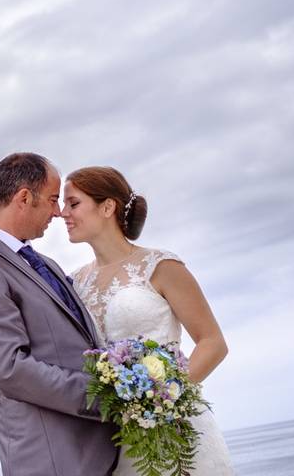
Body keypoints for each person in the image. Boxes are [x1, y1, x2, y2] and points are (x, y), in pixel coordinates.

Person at [0, 152, 118, 476]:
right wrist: (106, 398)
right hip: (55, 461)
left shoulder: (47, 264)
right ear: (24, 198)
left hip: (100, 453)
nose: (58, 212)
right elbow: (12, 370)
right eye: (53, 200)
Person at [63, 166, 235, 475]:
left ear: (107, 206)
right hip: (115, 442)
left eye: (73, 203)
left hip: (176, 430)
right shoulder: (75, 283)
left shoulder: (161, 265)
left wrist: (163, 401)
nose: (63, 213)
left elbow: (213, 343)